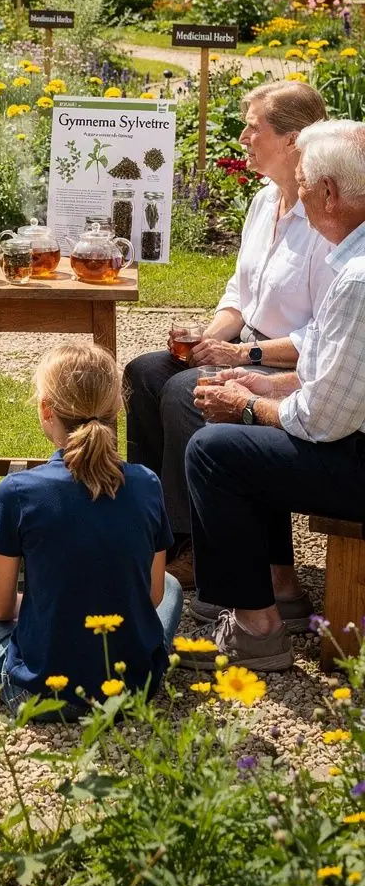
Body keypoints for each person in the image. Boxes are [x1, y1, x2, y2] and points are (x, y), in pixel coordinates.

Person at [124, 81, 332, 590]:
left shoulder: (324, 219)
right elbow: (239, 294)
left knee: (185, 390)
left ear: (293, 140)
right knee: (145, 373)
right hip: (246, 346)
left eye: (253, 128)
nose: (241, 137)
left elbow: (322, 333)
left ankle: (202, 544)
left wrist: (240, 353)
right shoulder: (264, 202)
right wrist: (206, 339)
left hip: (287, 363)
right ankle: (157, 534)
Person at [180, 120, 365, 673]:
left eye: (303, 182)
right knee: (238, 432)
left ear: (328, 192)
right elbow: (339, 374)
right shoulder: (351, 261)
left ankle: (256, 629)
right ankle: (269, 594)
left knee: (215, 451)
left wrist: (246, 405)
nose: (298, 194)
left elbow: (323, 420)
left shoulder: (357, 278)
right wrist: (263, 383)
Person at [0, 340, 183, 713]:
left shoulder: (18, 491)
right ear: (117, 407)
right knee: (171, 586)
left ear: (47, 410)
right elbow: (153, 596)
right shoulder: (146, 483)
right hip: (132, 689)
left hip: (41, 693)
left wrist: (42, 607)